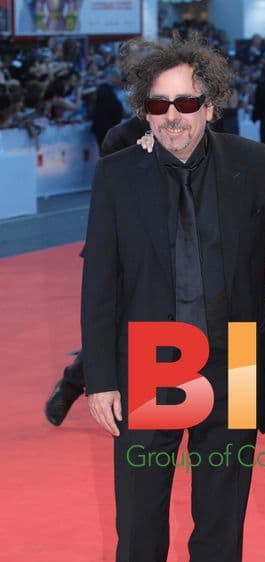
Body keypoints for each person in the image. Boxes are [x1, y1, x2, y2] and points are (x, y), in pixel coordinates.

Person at [81, 35, 265, 562]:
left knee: (220, 522)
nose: (174, 115)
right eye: (159, 103)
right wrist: (102, 378)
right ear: (145, 108)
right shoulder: (117, 173)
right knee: (140, 524)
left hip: (236, 364)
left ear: (213, 104)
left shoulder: (255, 164)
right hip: (149, 366)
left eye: (187, 101)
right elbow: (101, 282)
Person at [43, 116, 150, 428]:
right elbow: (111, 190)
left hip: (177, 247)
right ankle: (72, 384)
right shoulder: (122, 135)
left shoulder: (200, 133)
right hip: (121, 248)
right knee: (117, 327)